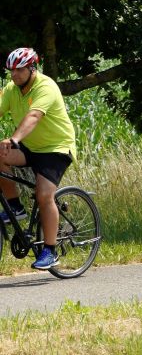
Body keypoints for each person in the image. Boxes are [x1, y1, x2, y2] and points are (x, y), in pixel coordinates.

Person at [0, 48, 77, 270]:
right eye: (11, 71)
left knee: (44, 195)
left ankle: (50, 251)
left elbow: (34, 116)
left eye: (19, 71)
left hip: (56, 148)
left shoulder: (46, 86)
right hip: (30, 147)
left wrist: (14, 138)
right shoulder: (12, 89)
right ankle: (15, 207)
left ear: (32, 69)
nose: (14, 75)